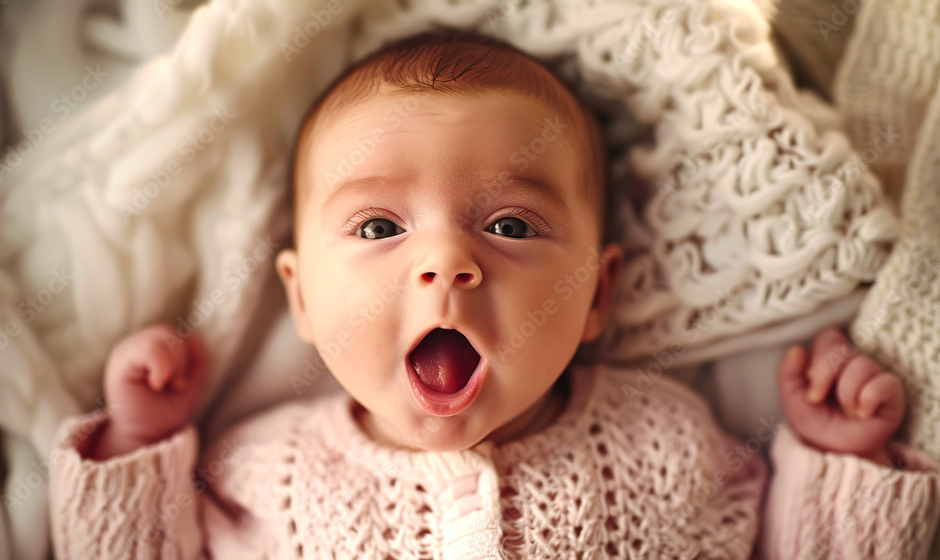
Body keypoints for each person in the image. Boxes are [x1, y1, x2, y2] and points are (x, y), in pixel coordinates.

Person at [49, 31, 940, 559]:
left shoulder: (668, 442)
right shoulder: (259, 472)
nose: (444, 262)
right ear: (303, 301)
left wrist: (839, 462)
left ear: (598, 294)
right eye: (377, 228)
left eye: (511, 227)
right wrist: (139, 445)